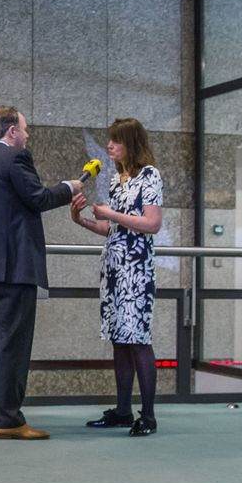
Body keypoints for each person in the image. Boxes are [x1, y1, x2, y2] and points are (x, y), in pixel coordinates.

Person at [0, 106, 81, 441]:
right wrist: (68, 187)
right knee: (12, 341)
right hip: (14, 267)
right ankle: (10, 420)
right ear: (12, 131)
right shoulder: (15, 159)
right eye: (25, 130)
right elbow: (38, 198)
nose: (28, 137)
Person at [70, 118, 163, 436]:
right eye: (109, 140)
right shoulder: (115, 179)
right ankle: (123, 410)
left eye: (116, 140)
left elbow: (152, 224)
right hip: (114, 268)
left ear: (131, 144)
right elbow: (111, 229)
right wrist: (81, 220)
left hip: (136, 271)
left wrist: (110, 212)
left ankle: (147, 416)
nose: (109, 145)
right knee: (120, 341)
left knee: (138, 341)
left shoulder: (149, 175)